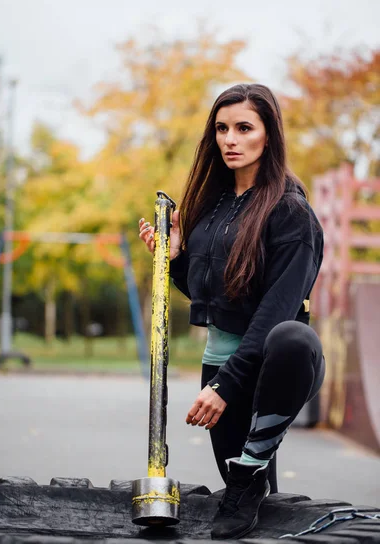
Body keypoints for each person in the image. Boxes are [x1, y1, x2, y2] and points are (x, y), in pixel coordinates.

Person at [139, 83, 325, 540]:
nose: (230, 139)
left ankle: (250, 473)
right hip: (220, 366)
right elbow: (215, 294)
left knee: (293, 336)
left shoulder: (290, 212)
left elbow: (275, 310)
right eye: (222, 128)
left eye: (244, 128)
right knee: (254, 492)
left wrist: (225, 385)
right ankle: (251, 479)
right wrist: (177, 259)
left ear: (269, 135)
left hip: (273, 366)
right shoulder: (214, 205)